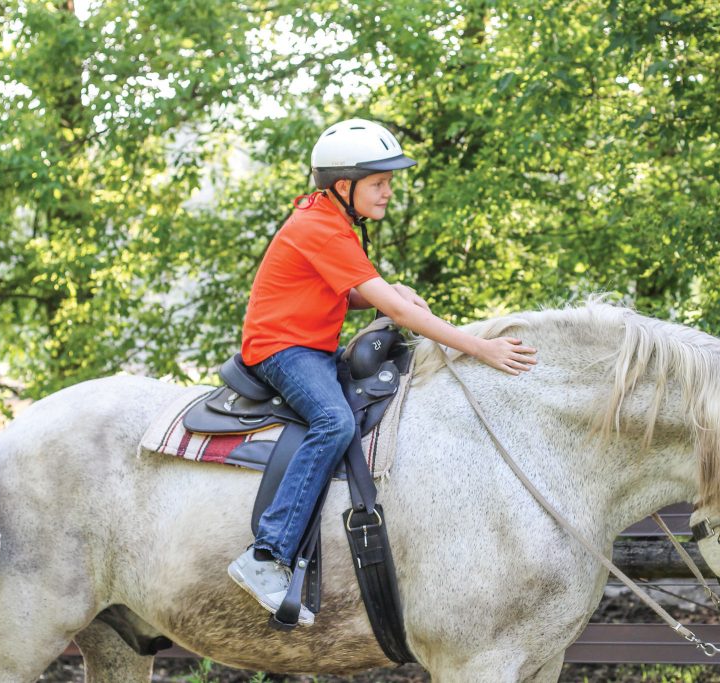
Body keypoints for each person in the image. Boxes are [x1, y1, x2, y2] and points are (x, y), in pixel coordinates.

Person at [227, 118, 538, 625]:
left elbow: (340, 293)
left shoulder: (328, 219)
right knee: (335, 422)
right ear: (344, 186)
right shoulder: (319, 226)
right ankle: (266, 555)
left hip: (311, 344)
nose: (389, 191)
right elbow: (403, 314)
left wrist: (388, 298)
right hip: (283, 350)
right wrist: (478, 347)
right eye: (379, 182)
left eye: (389, 181)